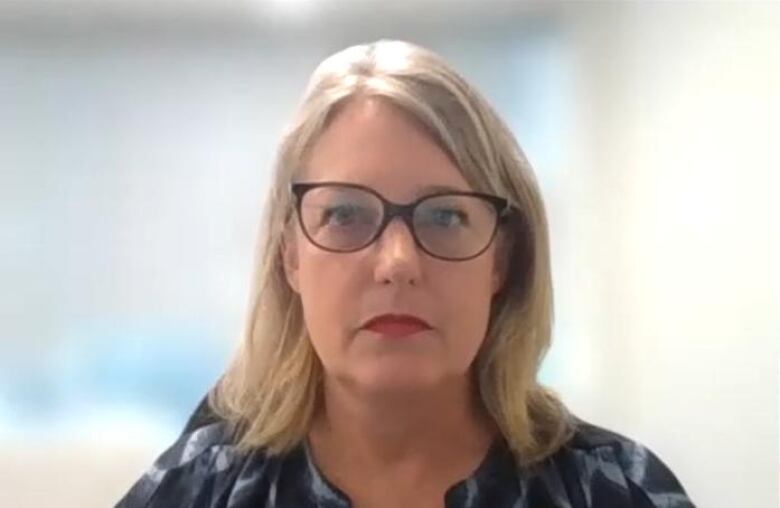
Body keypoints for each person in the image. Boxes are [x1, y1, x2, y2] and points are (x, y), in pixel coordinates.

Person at [116, 40, 695, 508]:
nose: (397, 263)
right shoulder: (196, 489)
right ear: (289, 254)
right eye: (344, 214)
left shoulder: (617, 490)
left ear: (503, 258)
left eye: (446, 216)